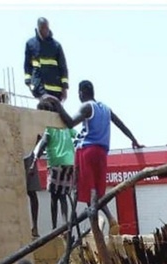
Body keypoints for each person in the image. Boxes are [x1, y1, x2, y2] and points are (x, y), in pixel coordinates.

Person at [52, 80, 143, 235]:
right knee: (96, 191)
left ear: (81, 93)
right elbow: (121, 125)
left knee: (85, 190)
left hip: (86, 151)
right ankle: (108, 220)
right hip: (102, 152)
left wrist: (57, 104)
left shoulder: (87, 107)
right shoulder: (106, 109)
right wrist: (134, 140)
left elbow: (70, 123)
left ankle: (82, 225)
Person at [29, 99, 77, 230]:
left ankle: (55, 228)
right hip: (69, 163)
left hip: (56, 163)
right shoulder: (65, 125)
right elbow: (77, 136)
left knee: (54, 197)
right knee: (63, 196)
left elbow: (43, 144)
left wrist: (34, 162)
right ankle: (65, 225)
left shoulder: (49, 127)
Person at [24, 17, 69, 103]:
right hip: (39, 87)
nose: (45, 31)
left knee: (55, 110)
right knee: (44, 107)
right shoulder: (30, 44)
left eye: (46, 28)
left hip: (56, 90)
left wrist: (65, 87)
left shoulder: (56, 46)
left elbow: (63, 67)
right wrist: (29, 83)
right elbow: (27, 66)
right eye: (42, 28)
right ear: (38, 28)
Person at [24, 148, 43, 238]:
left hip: (29, 157)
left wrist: (35, 156)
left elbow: (40, 142)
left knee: (31, 192)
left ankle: (35, 226)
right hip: (15, 155)